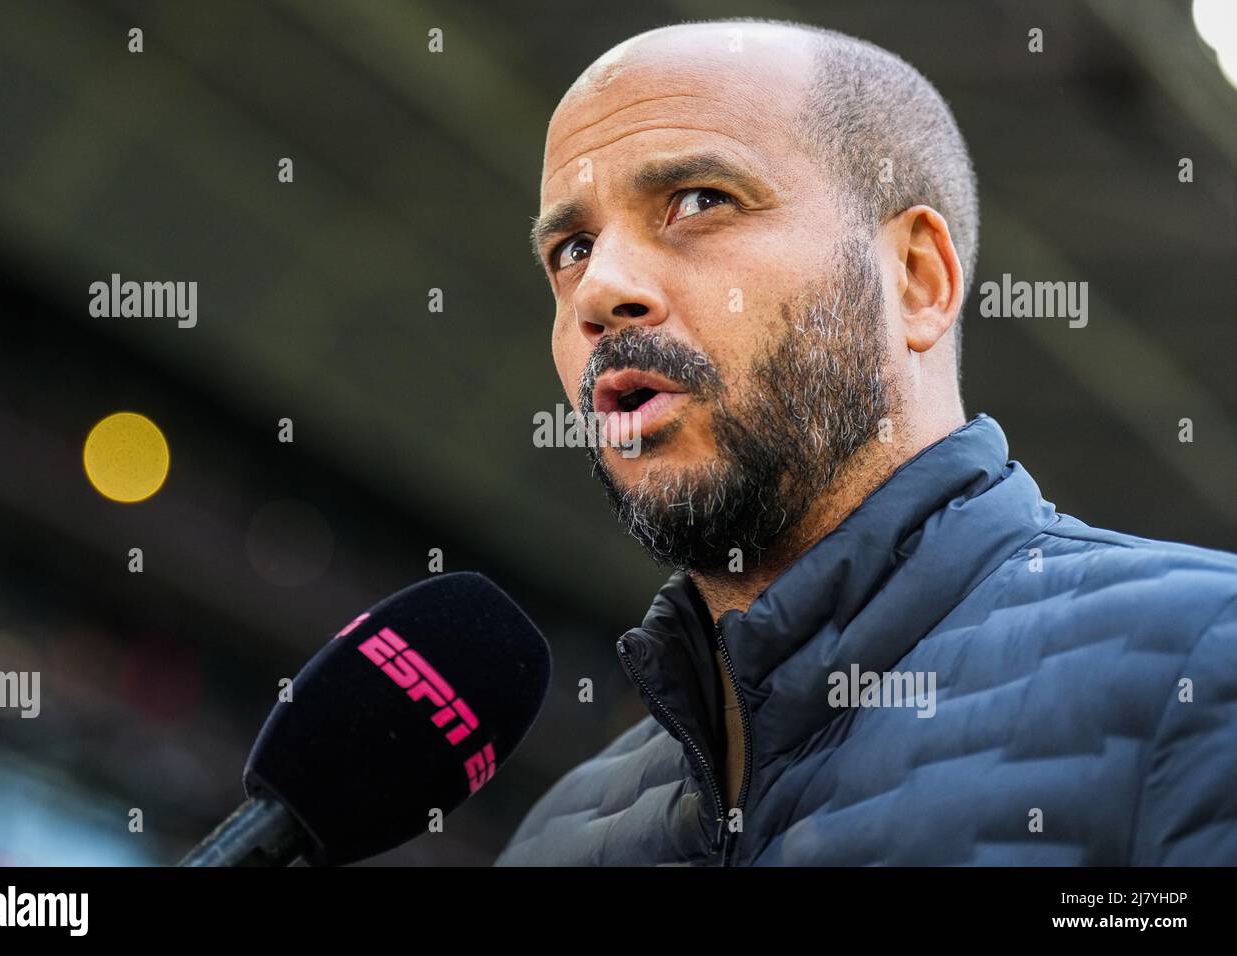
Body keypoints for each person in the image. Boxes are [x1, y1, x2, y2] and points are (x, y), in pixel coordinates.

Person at [495, 18, 1237, 865]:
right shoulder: (554, 840)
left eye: (700, 201)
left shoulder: (1205, 665)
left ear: (918, 279)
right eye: (572, 248)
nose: (601, 290)